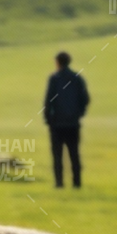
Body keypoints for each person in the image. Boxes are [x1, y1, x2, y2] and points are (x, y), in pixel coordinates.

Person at [43, 51, 90, 189]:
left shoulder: (54, 78)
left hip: (56, 123)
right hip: (73, 123)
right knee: (74, 154)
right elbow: (85, 99)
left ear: (57, 62)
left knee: (57, 156)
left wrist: (48, 118)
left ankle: (59, 183)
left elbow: (49, 100)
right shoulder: (77, 78)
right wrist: (79, 114)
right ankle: (77, 182)